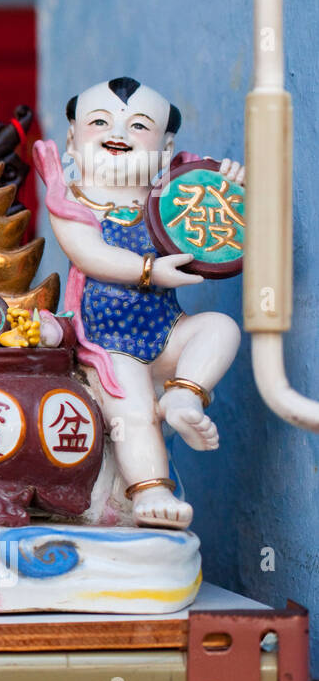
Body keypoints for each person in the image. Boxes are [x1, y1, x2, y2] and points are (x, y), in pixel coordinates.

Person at [38, 77, 243, 529]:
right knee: (131, 413)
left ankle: (184, 397)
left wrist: (224, 186)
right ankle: (151, 491)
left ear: (165, 148)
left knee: (220, 328)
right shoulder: (74, 201)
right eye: (100, 121)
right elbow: (89, 254)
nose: (119, 133)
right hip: (108, 341)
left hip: (167, 328)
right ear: (72, 139)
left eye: (139, 126)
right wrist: (149, 271)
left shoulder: (174, 192)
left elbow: (218, 225)